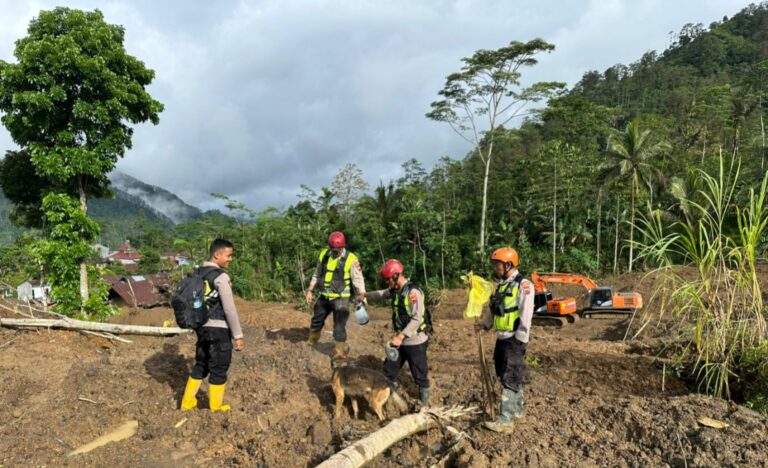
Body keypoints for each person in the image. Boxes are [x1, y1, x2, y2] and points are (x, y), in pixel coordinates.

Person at [180, 238, 245, 412]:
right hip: (219, 329)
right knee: (219, 367)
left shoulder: (197, 274)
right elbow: (229, 309)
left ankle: (187, 403)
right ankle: (216, 408)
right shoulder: (221, 277)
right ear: (217, 255)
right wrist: (238, 335)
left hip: (201, 328)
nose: (230, 259)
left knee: (201, 364)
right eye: (228, 255)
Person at [475, 247, 534, 432]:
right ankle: (518, 411)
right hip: (502, 338)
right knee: (506, 374)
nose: (495, 267)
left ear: (508, 264)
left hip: (514, 339)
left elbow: (526, 313)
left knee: (510, 377)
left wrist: (521, 338)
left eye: (497, 264)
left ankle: (506, 420)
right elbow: (495, 310)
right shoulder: (501, 285)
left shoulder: (523, 285)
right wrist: (485, 325)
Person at [362, 259, 431, 406]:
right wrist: (365, 294)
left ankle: (424, 405)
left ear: (396, 276)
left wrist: (400, 336)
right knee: (388, 370)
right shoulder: (395, 290)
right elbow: (381, 294)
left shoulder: (413, 292)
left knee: (420, 374)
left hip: (415, 340)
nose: (388, 283)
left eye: (388, 280)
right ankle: (389, 402)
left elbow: (417, 318)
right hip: (400, 341)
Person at [305, 231, 366, 358]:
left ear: (343, 247)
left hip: (341, 299)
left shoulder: (351, 259)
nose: (335, 252)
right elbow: (317, 274)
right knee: (316, 320)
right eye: (333, 250)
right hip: (324, 296)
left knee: (339, 326)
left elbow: (358, 280)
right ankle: (312, 341)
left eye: (338, 250)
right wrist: (310, 290)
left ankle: (339, 351)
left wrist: (362, 296)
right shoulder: (324, 255)